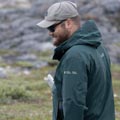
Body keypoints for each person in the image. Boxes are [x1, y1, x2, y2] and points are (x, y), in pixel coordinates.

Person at [37, 1, 115, 120]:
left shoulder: (74, 56)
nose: (49, 33)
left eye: (52, 27)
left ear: (68, 23)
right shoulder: (99, 47)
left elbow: (74, 104)